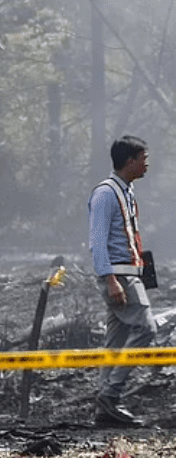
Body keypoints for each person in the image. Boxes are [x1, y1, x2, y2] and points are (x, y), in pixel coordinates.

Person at [87, 135, 156, 426]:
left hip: (129, 274)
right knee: (147, 330)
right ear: (130, 162)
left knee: (114, 341)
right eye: (143, 158)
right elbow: (97, 241)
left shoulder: (125, 191)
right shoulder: (105, 193)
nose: (147, 163)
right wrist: (111, 279)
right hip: (120, 277)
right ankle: (111, 395)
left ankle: (105, 408)